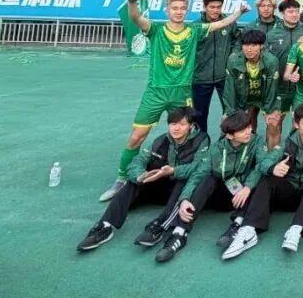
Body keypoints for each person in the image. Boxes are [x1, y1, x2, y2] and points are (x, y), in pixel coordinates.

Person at [100, 0, 245, 202]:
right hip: (156, 91)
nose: (178, 12)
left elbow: (221, 23)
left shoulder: (194, 30)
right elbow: (135, 17)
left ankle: (186, 174)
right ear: (167, 10)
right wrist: (132, 2)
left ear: (187, 11)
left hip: (181, 93)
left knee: (189, 135)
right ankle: (122, 178)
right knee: (137, 136)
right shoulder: (156, 29)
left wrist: (239, 12)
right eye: (174, 8)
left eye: (182, 8)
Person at [222, 104, 303, 259]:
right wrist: (273, 168)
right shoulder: (288, 142)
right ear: (296, 124)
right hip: (291, 193)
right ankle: (248, 230)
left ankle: (296, 229)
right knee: (268, 179)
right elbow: (264, 163)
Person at [77, 107, 209, 252]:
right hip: (161, 189)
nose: (176, 128)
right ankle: (105, 226)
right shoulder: (161, 140)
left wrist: (173, 171)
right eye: (172, 124)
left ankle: (158, 226)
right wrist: (140, 176)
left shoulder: (201, 140)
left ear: (191, 126)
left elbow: (199, 168)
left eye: (182, 124)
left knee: (183, 179)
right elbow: (138, 160)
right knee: (133, 181)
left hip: (183, 193)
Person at [154, 110, 276, 263]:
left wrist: (247, 187)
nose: (248, 132)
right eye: (242, 130)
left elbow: (260, 165)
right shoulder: (216, 149)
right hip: (221, 195)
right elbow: (198, 174)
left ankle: (237, 225)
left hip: (243, 196)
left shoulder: (256, 141)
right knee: (208, 178)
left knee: (259, 177)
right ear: (229, 135)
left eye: (249, 127)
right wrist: (184, 199)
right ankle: (179, 233)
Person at [191, 0, 241, 133]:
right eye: (212, 7)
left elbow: (237, 40)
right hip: (201, 78)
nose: (215, 10)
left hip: (225, 76)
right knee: (199, 114)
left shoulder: (230, 23)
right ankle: (201, 142)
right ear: (204, 7)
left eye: (218, 7)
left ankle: (228, 141)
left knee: (230, 112)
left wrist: (234, 55)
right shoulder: (196, 26)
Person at [264, 0, 303, 146]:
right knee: (274, 124)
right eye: (290, 11)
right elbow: (265, 61)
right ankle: (272, 154)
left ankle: (295, 155)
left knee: (300, 125)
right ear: (282, 13)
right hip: (279, 88)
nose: (294, 14)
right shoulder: (272, 34)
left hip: (301, 88)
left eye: (297, 11)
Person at [222, 29, 279, 130]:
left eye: (253, 45)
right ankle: (249, 137)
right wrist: (230, 113)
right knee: (229, 123)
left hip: (263, 96)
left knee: (273, 122)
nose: (249, 49)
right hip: (243, 96)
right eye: (246, 45)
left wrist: (269, 111)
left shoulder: (271, 61)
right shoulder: (233, 60)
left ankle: (270, 142)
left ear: (261, 46)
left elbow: (271, 89)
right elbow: (229, 89)